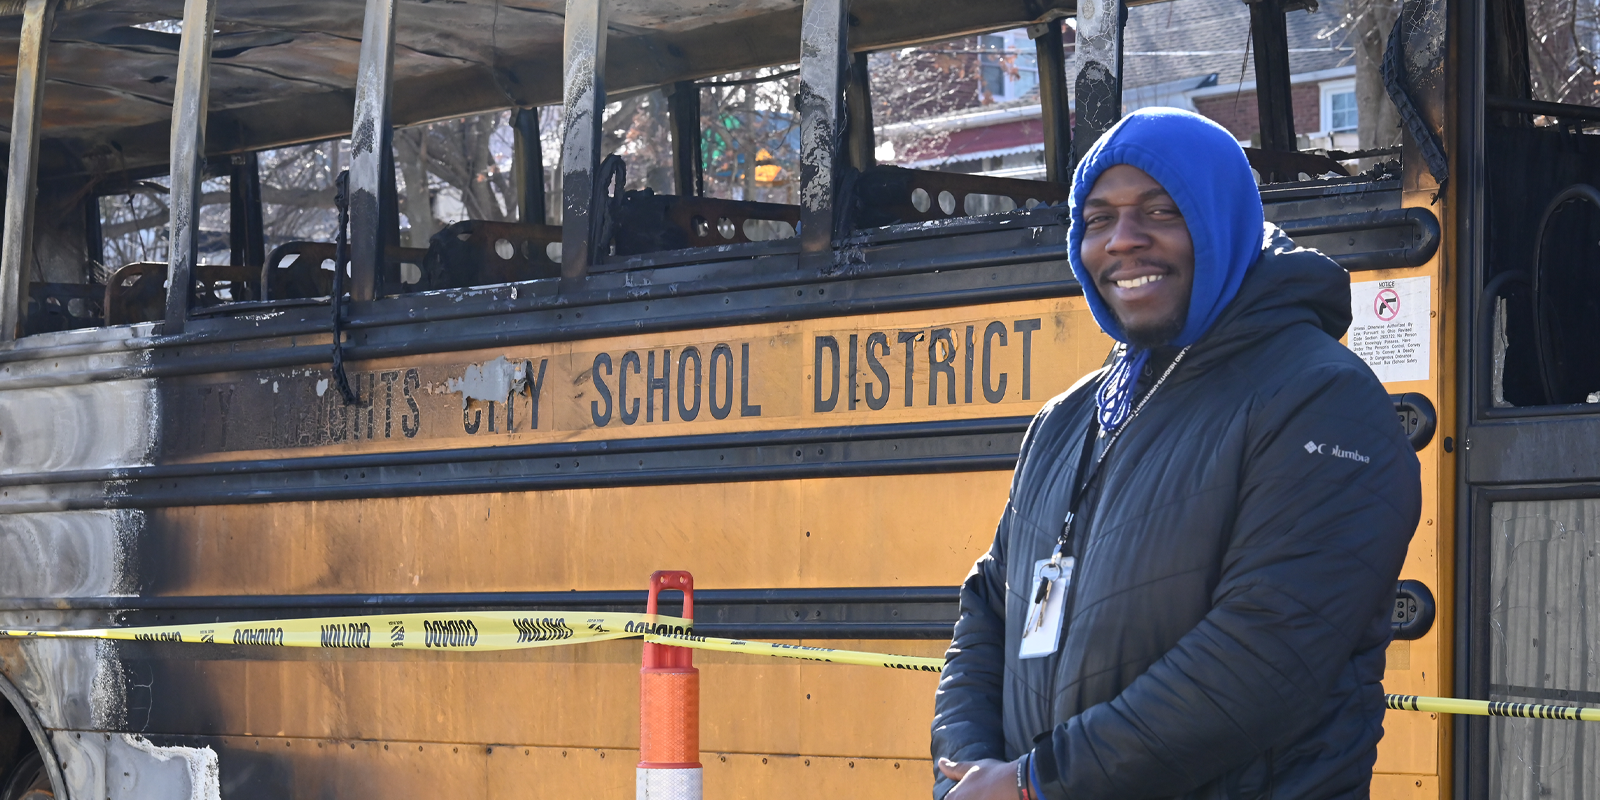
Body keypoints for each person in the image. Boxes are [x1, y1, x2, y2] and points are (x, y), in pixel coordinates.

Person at [930, 108, 1422, 800]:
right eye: (1098, 219)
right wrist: (967, 770)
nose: (1123, 241)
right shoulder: (1072, 416)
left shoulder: (1320, 398)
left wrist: (1036, 782)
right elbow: (989, 609)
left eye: (1161, 211)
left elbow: (1263, 657)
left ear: (1221, 220)